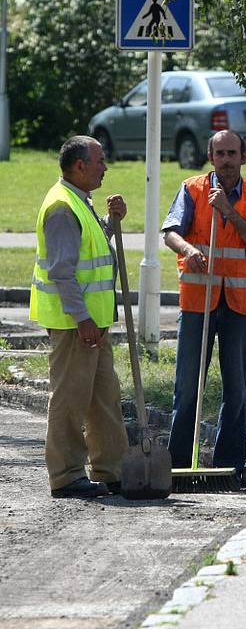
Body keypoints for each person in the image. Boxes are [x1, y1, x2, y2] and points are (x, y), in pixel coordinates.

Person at [162, 129, 246, 479]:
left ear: (244, 157)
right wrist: (188, 249)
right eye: (219, 153)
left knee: (235, 387)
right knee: (187, 386)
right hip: (199, 301)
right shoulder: (192, 189)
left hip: (240, 304)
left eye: (232, 153)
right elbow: (170, 232)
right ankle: (177, 467)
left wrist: (230, 212)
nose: (226, 160)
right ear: (210, 157)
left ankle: (229, 467)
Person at [29, 136, 130, 498]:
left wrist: (110, 221)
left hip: (93, 324)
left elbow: (91, 247)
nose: (106, 166)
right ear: (80, 166)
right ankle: (66, 474)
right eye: (100, 160)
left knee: (105, 397)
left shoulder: (78, 201)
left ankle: (112, 469)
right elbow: (62, 271)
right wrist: (83, 318)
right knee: (70, 399)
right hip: (76, 325)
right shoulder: (61, 208)